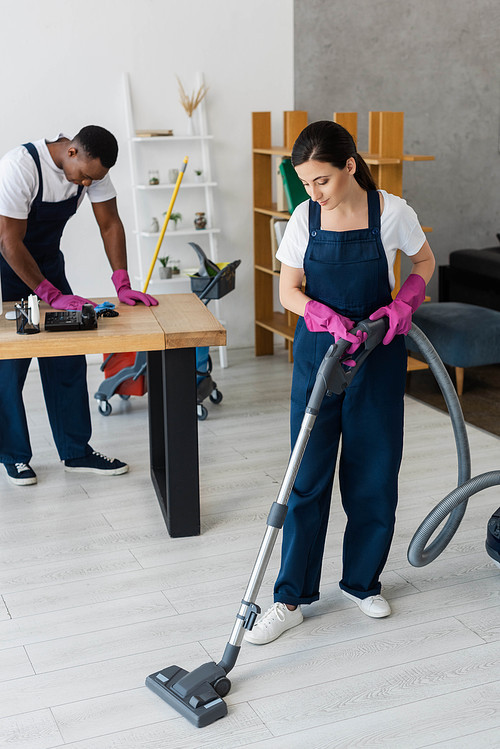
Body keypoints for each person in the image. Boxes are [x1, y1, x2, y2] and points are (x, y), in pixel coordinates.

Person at [245, 121, 435, 645]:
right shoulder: (304, 217)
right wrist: (323, 317)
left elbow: (423, 261)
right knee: (305, 476)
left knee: (373, 471)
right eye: (306, 183)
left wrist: (404, 305)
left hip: (377, 354)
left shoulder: (392, 211)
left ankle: (361, 582)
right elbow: (288, 289)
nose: (314, 193)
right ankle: (289, 598)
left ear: (350, 166)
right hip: (320, 354)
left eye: (322, 180)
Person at [0, 125, 157, 486]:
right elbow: (8, 241)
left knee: (67, 356)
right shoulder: (20, 166)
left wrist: (122, 283)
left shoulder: (92, 170)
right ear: (72, 152)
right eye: (85, 176)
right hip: (8, 268)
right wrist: (49, 295)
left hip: (48, 267)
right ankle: (13, 457)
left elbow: (110, 224)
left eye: (94, 179)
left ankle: (76, 451)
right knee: (9, 365)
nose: (87, 185)